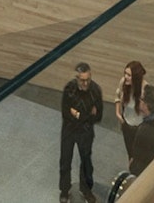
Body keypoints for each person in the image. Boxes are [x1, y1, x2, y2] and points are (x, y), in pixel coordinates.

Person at [59, 62, 103, 203]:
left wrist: (78, 114)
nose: (85, 83)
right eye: (82, 80)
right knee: (65, 161)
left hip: (86, 132)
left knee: (86, 163)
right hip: (69, 131)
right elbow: (66, 112)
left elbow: (98, 116)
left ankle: (86, 189)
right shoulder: (69, 89)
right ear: (77, 78)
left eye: (88, 80)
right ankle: (64, 190)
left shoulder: (95, 90)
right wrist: (86, 116)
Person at [128, 84, 154, 202]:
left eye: (140, 99)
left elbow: (137, 158)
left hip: (145, 175)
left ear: (145, 104)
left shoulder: (144, 130)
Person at [114, 61, 153, 161]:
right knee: (130, 154)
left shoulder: (146, 89)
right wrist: (118, 115)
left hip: (140, 128)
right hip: (127, 124)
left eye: (129, 75)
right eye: (125, 73)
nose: (126, 77)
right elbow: (118, 95)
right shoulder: (123, 83)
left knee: (140, 156)